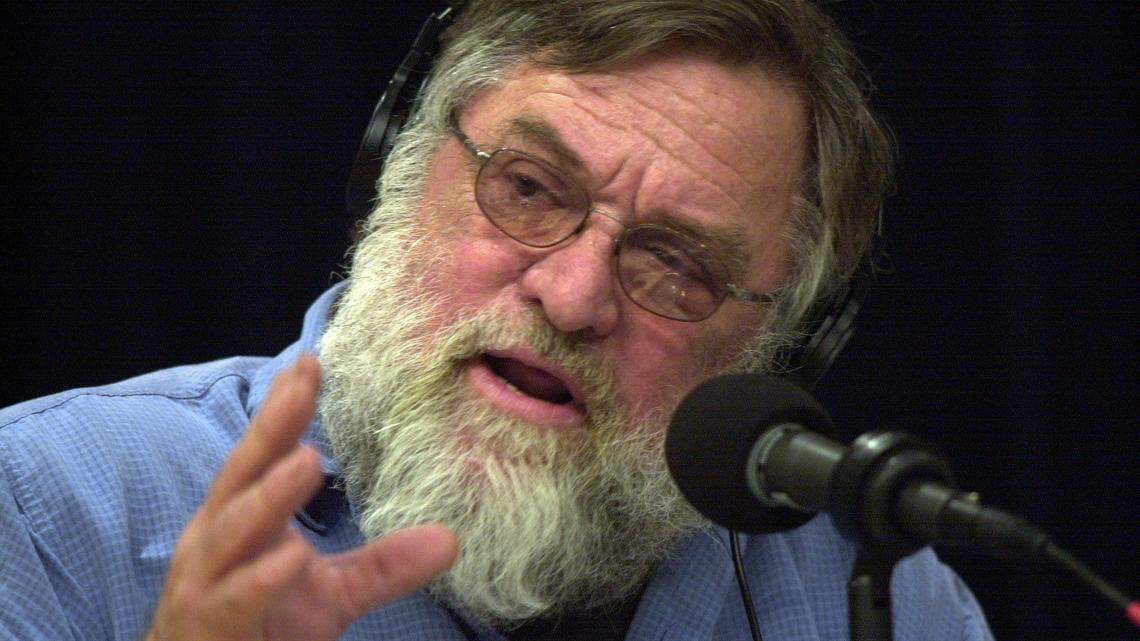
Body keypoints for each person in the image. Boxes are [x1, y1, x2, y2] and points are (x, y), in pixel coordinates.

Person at [0, 1, 994, 640]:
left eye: (675, 263)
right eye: (527, 187)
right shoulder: (44, 513)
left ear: (782, 347)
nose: (571, 295)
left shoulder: (892, 610)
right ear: (400, 163)